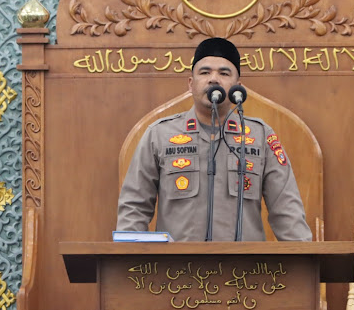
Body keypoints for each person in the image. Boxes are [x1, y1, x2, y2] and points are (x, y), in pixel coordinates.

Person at [116, 37, 312, 241]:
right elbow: (134, 206)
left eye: (224, 73)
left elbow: (287, 209)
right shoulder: (159, 135)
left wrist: (302, 262)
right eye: (205, 72)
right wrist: (131, 263)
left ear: (238, 86)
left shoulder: (260, 136)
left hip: (246, 270)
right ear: (191, 84)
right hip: (175, 269)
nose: (213, 79)